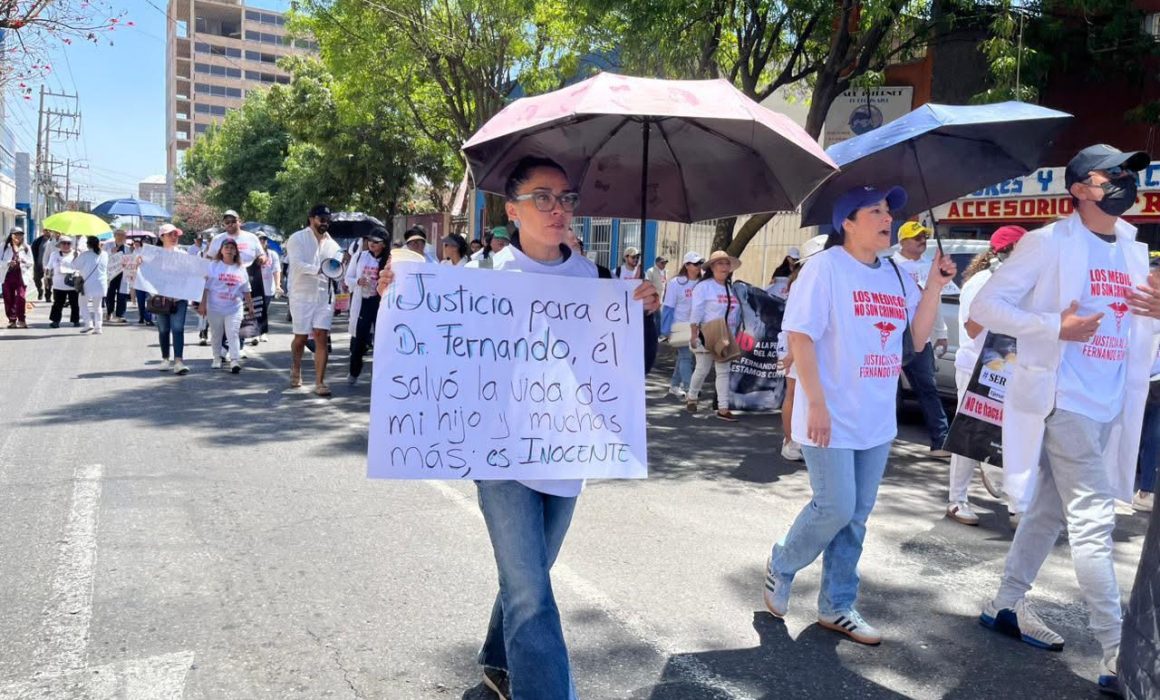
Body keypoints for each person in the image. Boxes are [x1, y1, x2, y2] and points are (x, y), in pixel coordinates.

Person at [381, 155, 660, 698]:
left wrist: (644, 316)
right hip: (500, 457)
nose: (558, 209)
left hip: (567, 456)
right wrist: (400, 283)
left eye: (566, 198)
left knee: (529, 574)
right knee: (530, 590)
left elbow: (626, 375)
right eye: (542, 197)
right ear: (512, 210)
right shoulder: (481, 278)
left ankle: (496, 658)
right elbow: (434, 343)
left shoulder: (597, 280)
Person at [971, 145, 1160, 696]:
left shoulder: (1131, 248)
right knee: (1094, 520)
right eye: (1113, 175)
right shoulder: (1046, 243)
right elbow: (985, 310)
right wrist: (1055, 325)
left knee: (1050, 509)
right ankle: (1117, 650)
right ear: (1079, 188)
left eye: (1131, 172)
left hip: (1112, 401)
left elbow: (1133, 323)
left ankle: (1006, 602)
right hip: (1064, 397)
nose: (1127, 181)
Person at [763, 185, 954, 645]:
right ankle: (783, 563)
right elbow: (801, 338)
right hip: (828, 411)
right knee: (835, 506)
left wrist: (934, 285)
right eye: (874, 210)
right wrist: (818, 404)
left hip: (876, 415)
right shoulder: (824, 269)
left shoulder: (893, 272)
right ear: (846, 222)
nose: (887, 218)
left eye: (888, 211)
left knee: (857, 515)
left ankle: (837, 605)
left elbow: (919, 338)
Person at [944, 225, 1028, 526]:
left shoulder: (1023, 283)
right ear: (1004, 252)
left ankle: (1017, 503)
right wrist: (997, 294)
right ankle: (957, 499)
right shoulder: (981, 282)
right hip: (975, 368)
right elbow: (972, 328)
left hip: (1010, 369)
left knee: (1016, 437)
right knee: (968, 433)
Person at [889, 221, 952, 458]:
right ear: (902, 241)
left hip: (921, 339)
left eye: (924, 236)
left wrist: (942, 333)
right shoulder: (890, 266)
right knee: (884, 387)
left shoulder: (929, 267)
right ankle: (878, 438)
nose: (921, 241)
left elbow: (935, 304)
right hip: (892, 335)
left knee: (928, 389)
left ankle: (940, 441)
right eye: (916, 237)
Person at [778, 235, 827, 463]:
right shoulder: (802, 282)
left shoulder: (820, 280)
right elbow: (793, 324)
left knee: (807, 394)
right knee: (794, 393)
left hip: (809, 345)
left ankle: (803, 440)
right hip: (793, 343)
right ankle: (790, 442)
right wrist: (790, 354)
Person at [287, 204, 342, 396]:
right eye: (321, 219)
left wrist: (339, 271)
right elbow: (297, 264)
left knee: (321, 336)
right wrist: (318, 269)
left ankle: (320, 382)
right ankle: (296, 367)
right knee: (301, 338)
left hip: (324, 296)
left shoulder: (334, 245)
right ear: (311, 219)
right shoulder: (297, 238)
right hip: (301, 294)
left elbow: (336, 269)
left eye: (327, 219)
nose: (325, 223)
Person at [686, 250, 743, 421]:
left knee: (723, 371)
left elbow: (736, 313)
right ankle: (692, 397)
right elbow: (697, 310)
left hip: (726, 336)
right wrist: (694, 333)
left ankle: (723, 407)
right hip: (707, 333)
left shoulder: (731, 288)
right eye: (720, 263)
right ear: (712, 267)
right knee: (702, 369)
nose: (724, 267)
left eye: (726, 264)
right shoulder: (704, 287)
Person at [207, 210, 266, 350]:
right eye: (227, 222)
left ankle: (238, 346)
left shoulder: (251, 237)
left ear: (240, 221)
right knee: (223, 314)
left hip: (246, 276)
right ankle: (223, 347)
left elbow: (261, 254)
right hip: (223, 280)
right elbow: (209, 258)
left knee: (244, 314)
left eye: (233, 221)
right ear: (224, 224)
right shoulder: (218, 239)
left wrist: (262, 258)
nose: (231, 225)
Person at [199, 238, 255, 373]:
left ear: (236, 251)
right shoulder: (213, 265)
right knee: (216, 334)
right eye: (226, 248)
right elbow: (205, 287)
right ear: (221, 251)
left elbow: (246, 290)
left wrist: (251, 306)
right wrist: (202, 304)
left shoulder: (240, 268)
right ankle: (216, 358)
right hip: (215, 307)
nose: (229, 250)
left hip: (234, 307)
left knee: (233, 333)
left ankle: (234, 360)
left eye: (232, 248)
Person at [345, 226, 388, 385]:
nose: (372, 244)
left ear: (384, 244)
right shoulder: (360, 257)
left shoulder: (390, 260)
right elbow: (347, 278)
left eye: (376, 242)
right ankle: (354, 372)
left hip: (382, 304)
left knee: (382, 341)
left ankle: (380, 375)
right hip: (363, 301)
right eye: (370, 241)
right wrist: (357, 281)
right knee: (359, 340)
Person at [661, 251, 702, 399]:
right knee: (686, 357)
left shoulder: (702, 283)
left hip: (697, 326)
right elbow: (668, 306)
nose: (699, 266)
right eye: (695, 264)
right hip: (680, 326)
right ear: (687, 265)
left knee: (683, 358)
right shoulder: (675, 283)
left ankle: (674, 385)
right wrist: (665, 329)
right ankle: (690, 388)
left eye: (700, 263)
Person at [154, 224, 191, 375]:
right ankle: (165, 358)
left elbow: (191, 274)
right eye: (170, 234)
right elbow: (148, 276)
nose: (174, 237)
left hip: (179, 298)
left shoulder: (183, 255)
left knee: (177, 328)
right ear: (162, 237)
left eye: (176, 234)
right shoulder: (154, 256)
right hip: (161, 299)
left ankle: (178, 361)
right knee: (163, 329)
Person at [74, 236, 109, 335]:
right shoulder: (105, 254)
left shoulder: (85, 255)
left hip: (87, 284)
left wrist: (76, 256)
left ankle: (88, 323)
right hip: (101, 283)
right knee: (97, 306)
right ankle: (98, 327)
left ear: (88, 244)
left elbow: (75, 266)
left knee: (82, 303)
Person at [2, 227, 33, 328]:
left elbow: (31, 262)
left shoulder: (26, 247)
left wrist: (23, 261)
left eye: (20, 235)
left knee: (21, 297)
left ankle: (21, 319)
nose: (18, 237)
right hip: (7, 276)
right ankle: (12, 320)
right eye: (16, 234)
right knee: (8, 298)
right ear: (11, 236)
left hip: (21, 275)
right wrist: (8, 263)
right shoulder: (4, 247)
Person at [48, 237, 81, 328]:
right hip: (58, 283)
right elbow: (49, 267)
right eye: (64, 243)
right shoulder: (54, 254)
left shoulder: (77, 253)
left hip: (72, 283)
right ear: (60, 244)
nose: (66, 245)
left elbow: (80, 267)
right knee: (58, 303)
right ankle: (55, 321)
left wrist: (76, 258)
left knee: (75, 303)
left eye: (68, 243)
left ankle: (76, 320)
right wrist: (47, 279)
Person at [257, 233, 282, 344]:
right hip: (254, 287)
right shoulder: (251, 254)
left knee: (264, 310)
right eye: (259, 239)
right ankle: (258, 333)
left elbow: (276, 270)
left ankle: (262, 332)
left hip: (268, 287)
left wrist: (277, 285)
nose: (262, 241)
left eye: (264, 239)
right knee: (257, 310)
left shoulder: (272, 255)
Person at [104, 230, 129, 323]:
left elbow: (131, 259)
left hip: (123, 274)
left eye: (123, 235)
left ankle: (120, 315)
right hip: (111, 273)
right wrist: (110, 251)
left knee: (122, 294)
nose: (121, 237)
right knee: (110, 294)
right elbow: (102, 256)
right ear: (115, 236)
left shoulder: (127, 248)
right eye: (119, 235)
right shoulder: (108, 245)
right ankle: (109, 311)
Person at [30, 228, 51, 301]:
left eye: (49, 230)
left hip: (48, 265)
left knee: (48, 281)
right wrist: (34, 261)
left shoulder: (53, 241)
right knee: (36, 279)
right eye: (46, 230)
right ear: (43, 231)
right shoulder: (38, 241)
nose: (47, 232)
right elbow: (32, 250)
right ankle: (40, 290)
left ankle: (48, 296)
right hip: (38, 264)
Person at [39, 229, 58, 304]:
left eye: (59, 233)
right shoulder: (50, 243)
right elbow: (46, 255)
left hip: (60, 267)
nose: (57, 234)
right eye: (56, 232)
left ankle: (56, 297)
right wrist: (45, 265)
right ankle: (48, 296)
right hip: (50, 265)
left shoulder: (66, 243)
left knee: (57, 283)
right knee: (48, 282)